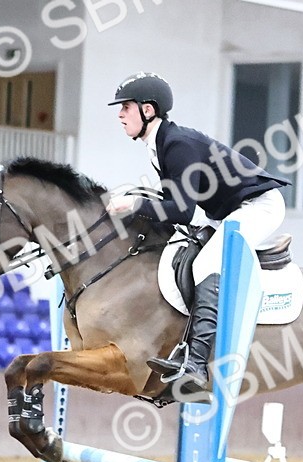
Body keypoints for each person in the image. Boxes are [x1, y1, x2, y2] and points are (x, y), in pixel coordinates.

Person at [105, 71, 290, 391]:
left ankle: (197, 363)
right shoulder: (159, 144)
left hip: (259, 206)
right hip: (230, 211)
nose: (120, 114)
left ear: (148, 110)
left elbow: (181, 211)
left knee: (206, 263)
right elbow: (172, 204)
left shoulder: (177, 144)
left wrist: (135, 204)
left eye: (126, 107)